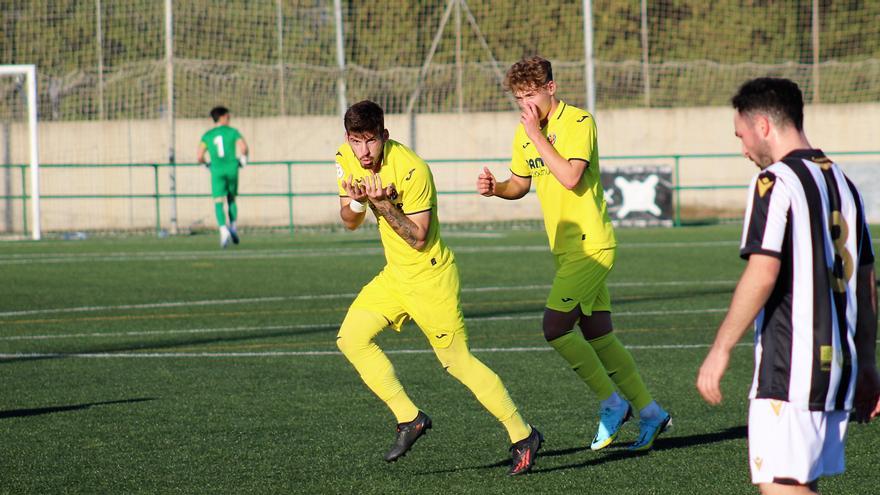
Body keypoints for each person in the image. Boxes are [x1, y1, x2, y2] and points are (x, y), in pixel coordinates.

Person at [334, 100, 542, 475]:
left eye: (370, 141)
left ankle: (523, 434)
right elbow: (349, 221)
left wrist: (382, 204)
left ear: (384, 136)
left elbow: (418, 237)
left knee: (457, 362)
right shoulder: (345, 158)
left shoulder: (412, 169)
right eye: (355, 141)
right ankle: (409, 418)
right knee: (351, 338)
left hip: (431, 277)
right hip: (395, 277)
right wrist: (356, 200)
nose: (362, 152)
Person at [696, 77, 880, 494]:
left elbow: (762, 272)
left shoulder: (776, 182)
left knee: (782, 488)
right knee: (799, 484)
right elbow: (866, 282)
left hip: (790, 367)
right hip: (838, 367)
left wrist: (721, 348)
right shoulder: (845, 185)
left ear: (763, 125)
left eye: (741, 135)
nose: (743, 148)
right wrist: (867, 362)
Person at [477, 56, 670, 451]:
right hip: (565, 250)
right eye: (518, 98)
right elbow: (520, 184)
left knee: (555, 327)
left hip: (591, 244)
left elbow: (569, 176)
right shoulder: (526, 132)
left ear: (551, 88)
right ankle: (651, 413)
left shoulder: (579, 122)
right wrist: (496, 187)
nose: (525, 105)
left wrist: (536, 135)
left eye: (530, 95)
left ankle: (613, 403)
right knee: (599, 335)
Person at [197, 106, 248, 248]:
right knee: (231, 198)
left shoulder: (207, 135)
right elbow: (243, 147)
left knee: (218, 201)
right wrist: (243, 159)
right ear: (223, 117)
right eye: (228, 117)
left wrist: (206, 165)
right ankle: (233, 227)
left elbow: (199, 156)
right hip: (232, 169)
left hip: (217, 170)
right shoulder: (233, 132)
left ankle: (223, 230)